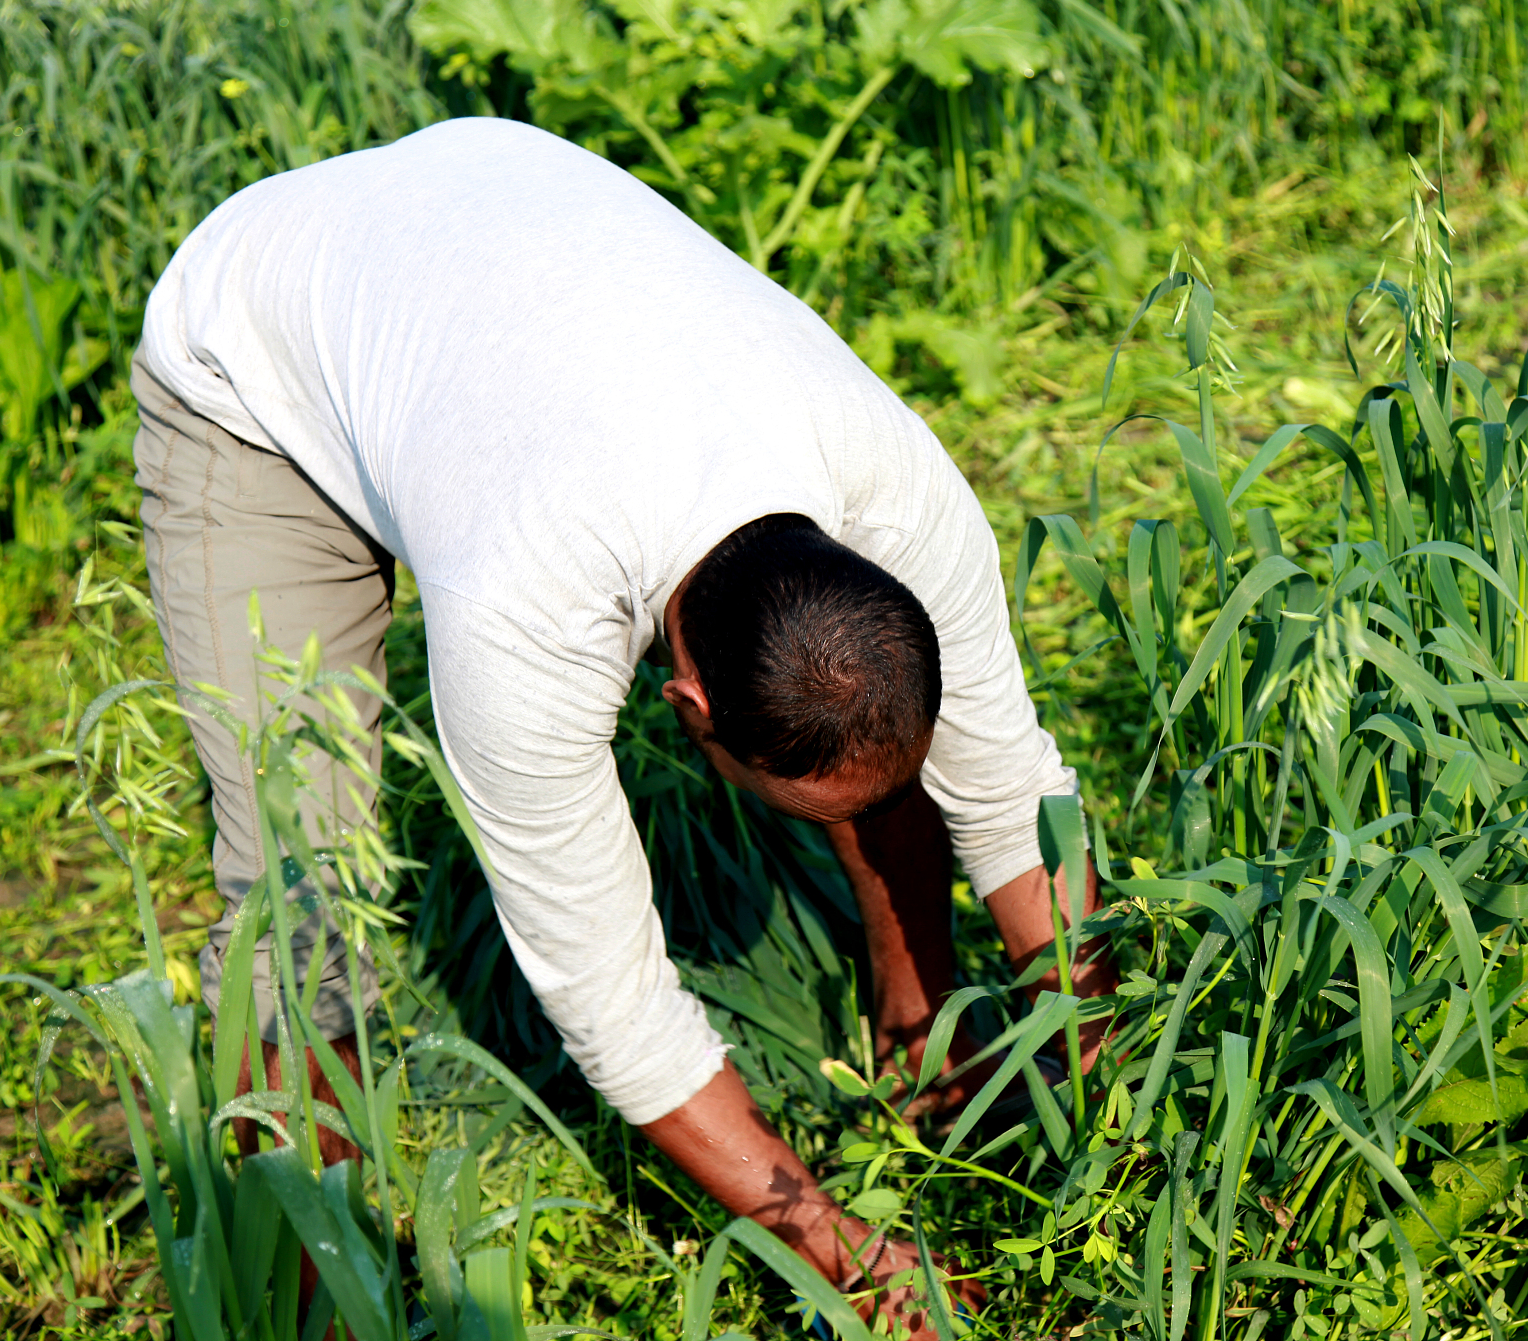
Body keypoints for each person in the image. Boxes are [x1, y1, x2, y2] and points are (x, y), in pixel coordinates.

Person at [133, 117, 1112, 1334]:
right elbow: (608, 996)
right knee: (298, 901)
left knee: (871, 756)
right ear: (684, 706)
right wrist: (840, 1250)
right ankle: (309, 1285)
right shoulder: (526, 617)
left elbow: (1012, 797)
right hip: (262, 367)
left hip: (495, 230)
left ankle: (924, 1042)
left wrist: (1117, 1097)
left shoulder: (903, 504)